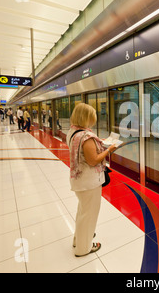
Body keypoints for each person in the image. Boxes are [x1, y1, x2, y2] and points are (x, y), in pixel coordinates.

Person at [67, 103, 117, 257]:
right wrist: (109, 150)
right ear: (87, 117)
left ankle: (79, 239)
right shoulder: (86, 136)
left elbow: (84, 150)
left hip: (79, 181)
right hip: (89, 182)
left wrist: (98, 143)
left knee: (83, 212)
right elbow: (93, 160)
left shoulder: (73, 131)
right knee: (89, 215)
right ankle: (83, 248)